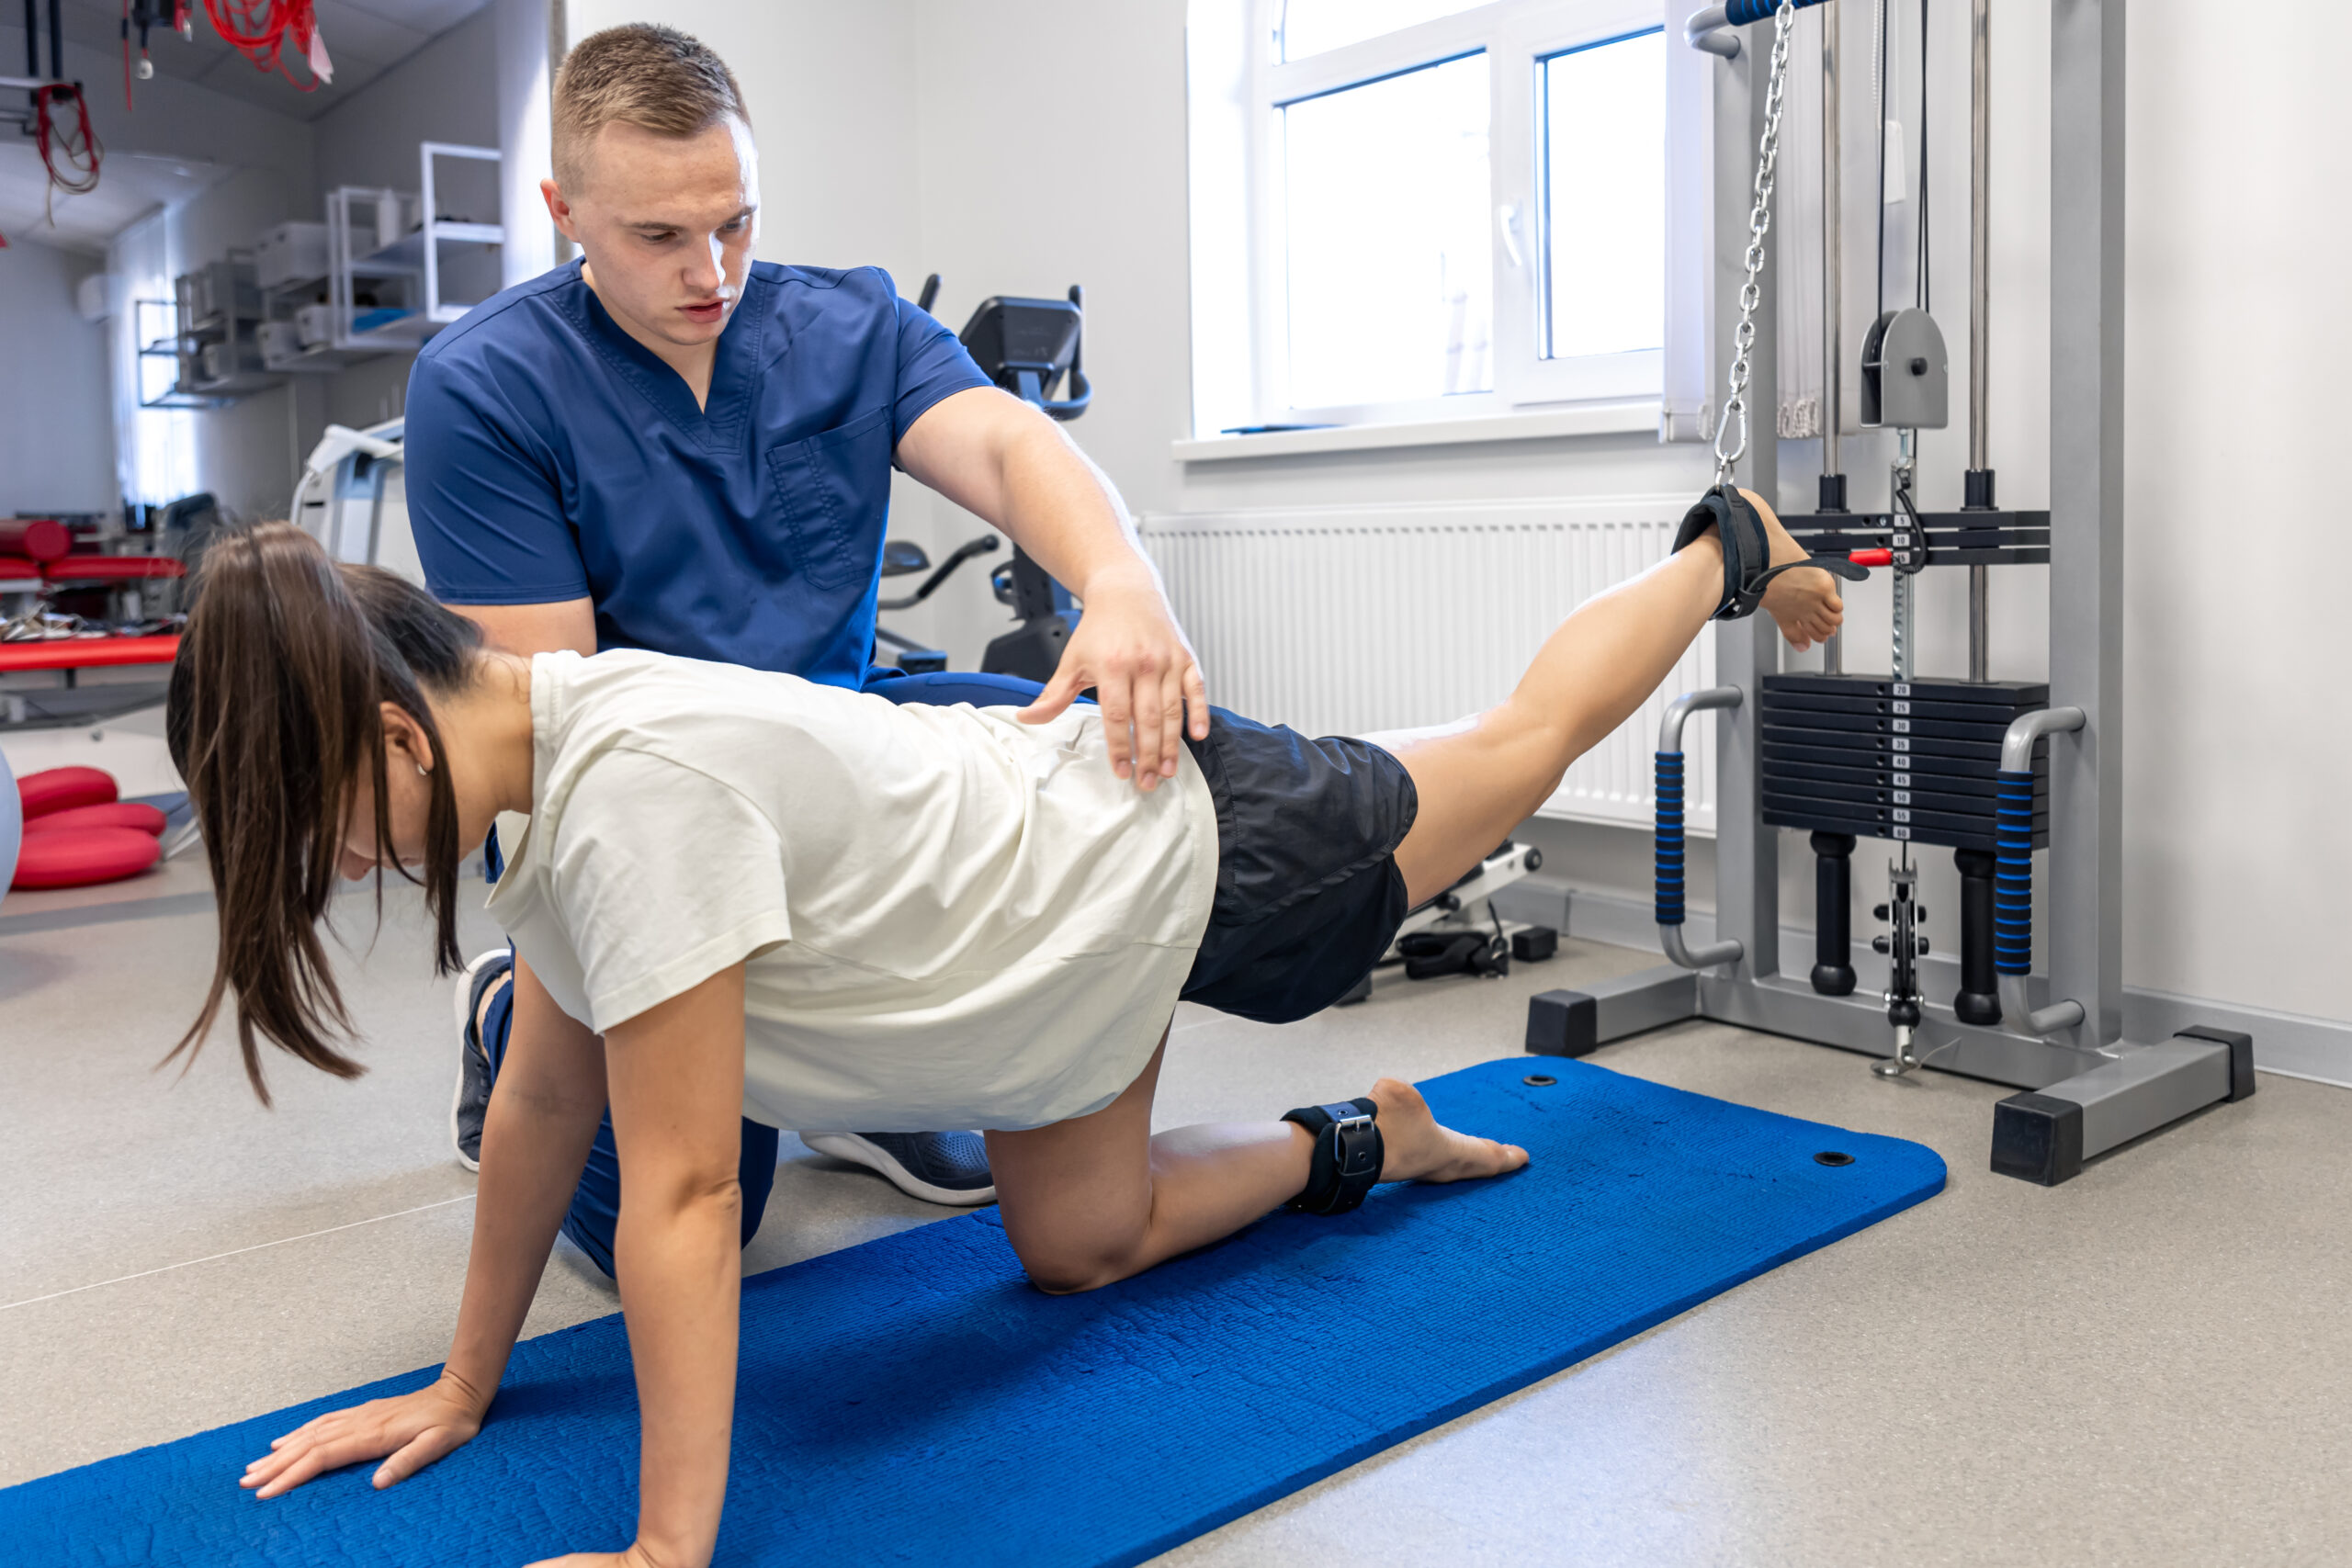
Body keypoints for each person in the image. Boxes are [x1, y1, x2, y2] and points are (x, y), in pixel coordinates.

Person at [177, 494, 1841, 1568]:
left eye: (312, 827)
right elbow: (546, 1104)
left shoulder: (629, 796)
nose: (334, 868)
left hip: (1179, 848)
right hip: (1042, 959)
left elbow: (681, 1196)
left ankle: (1720, 548)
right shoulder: (529, 778)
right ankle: (1375, 1136)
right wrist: (463, 1388)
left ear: (395, 735)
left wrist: (662, 1556)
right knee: (1080, 1248)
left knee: (1520, 744)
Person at [405, 23, 1211, 1233]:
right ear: (563, 209)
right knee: (690, 1222)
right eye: (660, 236)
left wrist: (1121, 581)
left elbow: (1000, 440)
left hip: (830, 786)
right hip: (638, 828)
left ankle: (855, 1070)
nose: (710, 272)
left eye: (735, 222)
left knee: (1069, 759)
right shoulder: (484, 387)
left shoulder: (847, 329)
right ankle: (514, 1007)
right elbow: (556, 720)